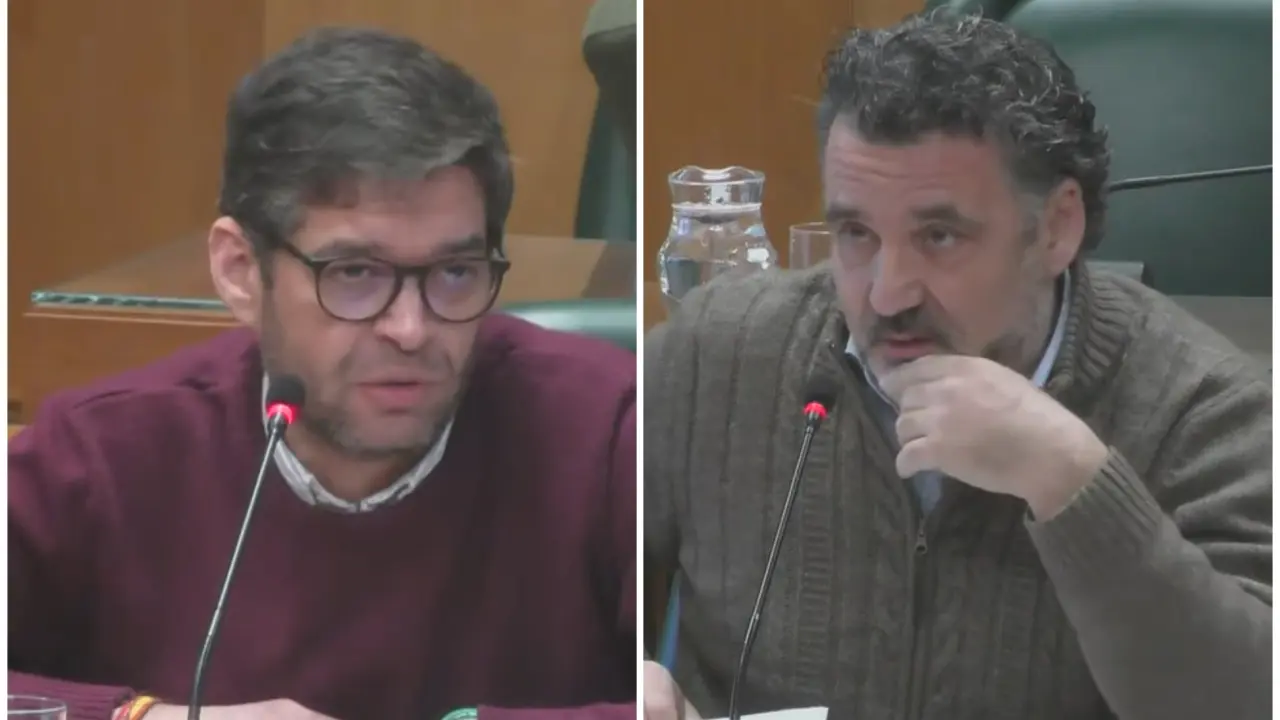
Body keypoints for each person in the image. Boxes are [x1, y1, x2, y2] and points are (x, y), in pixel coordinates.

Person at [643, 12, 1270, 720]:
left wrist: (1073, 484)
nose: (887, 293)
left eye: (939, 236)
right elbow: (569, 602)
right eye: (856, 233)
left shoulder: (1202, 411)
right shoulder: (715, 358)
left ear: (1056, 228)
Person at [10, 28, 636, 720]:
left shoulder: (607, 432)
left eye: (456, 272)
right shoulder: (102, 453)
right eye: (355, 273)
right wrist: (145, 718)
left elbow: (700, 697)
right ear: (241, 271)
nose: (411, 329)